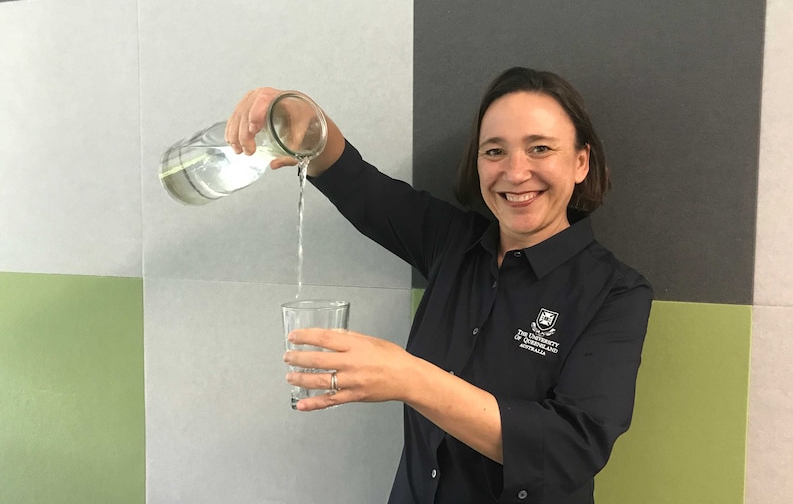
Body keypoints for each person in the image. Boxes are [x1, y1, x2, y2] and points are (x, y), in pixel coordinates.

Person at [226, 67, 653, 503]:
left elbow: (570, 449)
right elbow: (357, 184)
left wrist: (408, 377)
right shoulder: (452, 242)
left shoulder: (616, 292)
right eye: (494, 152)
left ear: (581, 162)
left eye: (540, 148)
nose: (516, 171)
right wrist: (305, 121)